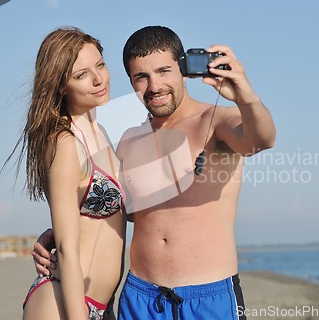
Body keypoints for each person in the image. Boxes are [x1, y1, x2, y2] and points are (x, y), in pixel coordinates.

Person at [33, 26, 276, 320]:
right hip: (139, 297)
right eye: (141, 77)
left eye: (164, 71)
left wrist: (245, 97)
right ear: (131, 81)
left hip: (208, 296)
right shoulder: (126, 141)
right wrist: (60, 231)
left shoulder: (217, 121)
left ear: (183, 70)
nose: (155, 85)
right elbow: (116, 210)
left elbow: (261, 139)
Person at [8, 27, 126, 320]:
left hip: (102, 306)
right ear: (61, 86)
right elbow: (68, 248)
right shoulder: (64, 141)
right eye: (81, 74)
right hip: (64, 303)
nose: (99, 79)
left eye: (100, 65)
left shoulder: (103, 133)